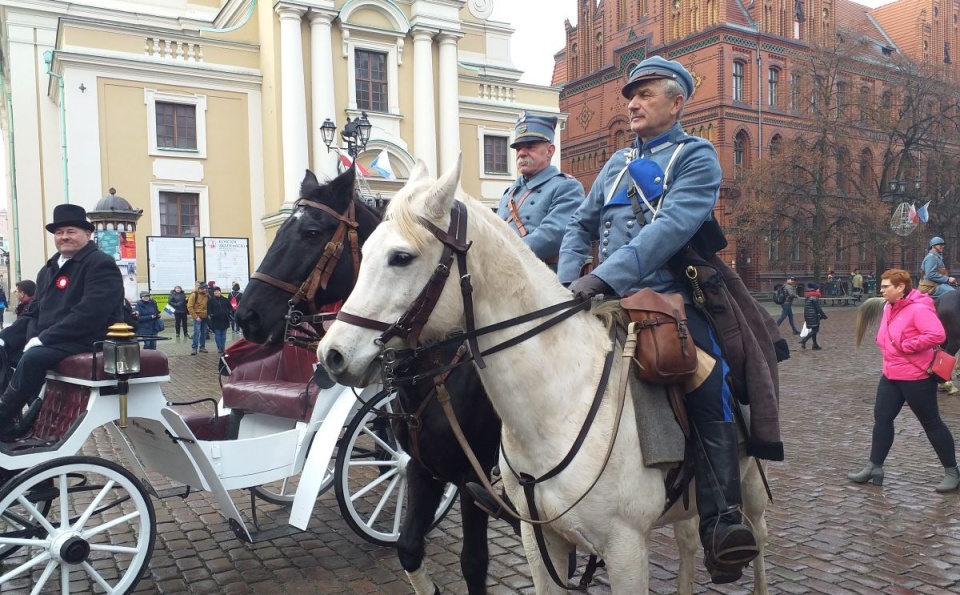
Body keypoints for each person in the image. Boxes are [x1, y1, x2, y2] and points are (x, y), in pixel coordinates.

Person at [556, 56, 759, 583]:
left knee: (708, 382)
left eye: (646, 93)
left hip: (671, 303)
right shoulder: (616, 164)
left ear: (677, 101)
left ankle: (722, 523)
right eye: (631, 94)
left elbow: (667, 230)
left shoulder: (696, 158)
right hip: (602, 300)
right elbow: (579, 226)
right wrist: (565, 280)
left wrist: (605, 276)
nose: (633, 102)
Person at [0, 204, 123, 442]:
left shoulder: (99, 263)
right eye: (59, 232)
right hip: (56, 340)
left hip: (88, 339)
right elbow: (32, 312)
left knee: (34, 358)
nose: (64, 237)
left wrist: (44, 338)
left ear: (87, 234)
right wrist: (6, 337)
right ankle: (20, 423)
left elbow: (90, 313)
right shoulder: (48, 269)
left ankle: (3, 418)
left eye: (70, 231)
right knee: (5, 353)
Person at [847, 269, 959, 492]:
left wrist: (907, 345)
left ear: (901, 288)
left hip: (916, 376)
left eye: (886, 286)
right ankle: (874, 467)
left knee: (931, 423)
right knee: (882, 419)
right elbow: (888, 334)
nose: (881, 290)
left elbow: (938, 335)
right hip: (890, 374)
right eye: (882, 285)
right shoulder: (889, 306)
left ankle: (952, 471)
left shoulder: (918, 309)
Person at [496, 112, 585, 270]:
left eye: (530, 146)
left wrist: (502, 258)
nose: (522, 153)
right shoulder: (509, 192)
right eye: (518, 148)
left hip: (543, 280)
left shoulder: (567, 187)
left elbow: (551, 235)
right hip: (504, 274)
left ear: (550, 151)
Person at [799, 282, 827, 350]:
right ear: (815, 289)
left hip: (808, 315)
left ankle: (815, 345)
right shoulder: (814, 298)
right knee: (815, 330)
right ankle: (804, 340)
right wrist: (824, 315)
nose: (819, 290)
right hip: (813, 315)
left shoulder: (809, 296)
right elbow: (818, 308)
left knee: (814, 330)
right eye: (818, 289)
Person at [207, 287, 233, 355]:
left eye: (218, 291)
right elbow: (209, 310)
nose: (217, 293)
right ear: (213, 293)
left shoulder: (225, 299)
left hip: (224, 319)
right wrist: (212, 315)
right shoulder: (211, 301)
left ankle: (223, 347)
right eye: (215, 292)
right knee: (217, 334)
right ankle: (219, 347)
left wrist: (228, 312)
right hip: (216, 319)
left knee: (223, 334)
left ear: (220, 292)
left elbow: (230, 308)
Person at [188, 282, 210, 355]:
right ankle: (194, 348)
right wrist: (196, 317)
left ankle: (202, 347)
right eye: (205, 289)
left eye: (207, 289)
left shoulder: (207, 295)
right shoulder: (194, 295)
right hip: (197, 316)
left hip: (205, 316)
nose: (206, 290)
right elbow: (190, 307)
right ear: (200, 289)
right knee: (196, 333)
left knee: (204, 333)